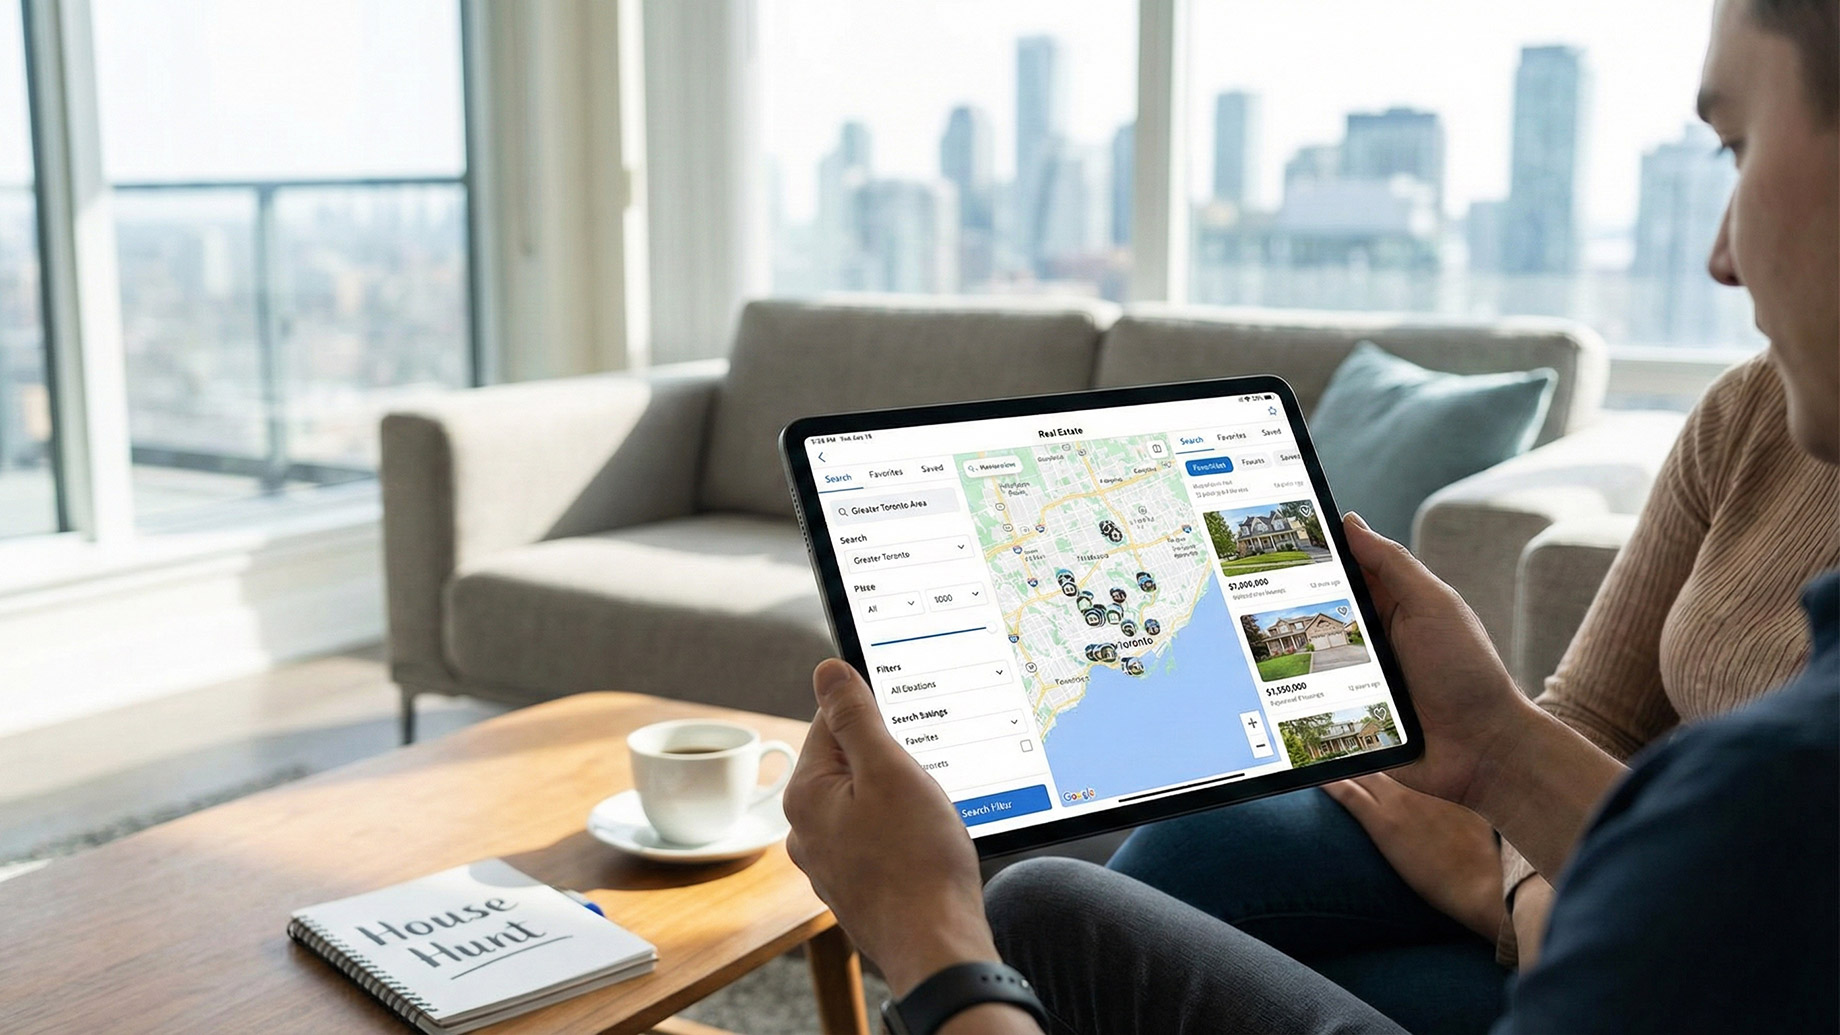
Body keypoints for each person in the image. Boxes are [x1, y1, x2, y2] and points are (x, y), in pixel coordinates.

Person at [780, 1, 1839, 1032]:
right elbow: (1593, 729)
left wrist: (932, 948)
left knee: (1025, 918)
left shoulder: (1773, 787)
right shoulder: (1753, 416)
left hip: (1600, 939)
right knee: (1119, 880)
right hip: (1598, 883)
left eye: (1735, 148)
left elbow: (1728, 912)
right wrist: (1493, 747)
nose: (1720, 255)